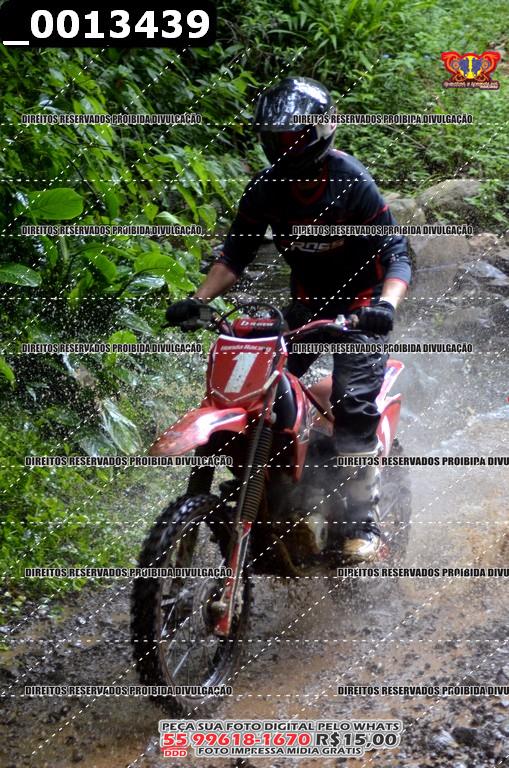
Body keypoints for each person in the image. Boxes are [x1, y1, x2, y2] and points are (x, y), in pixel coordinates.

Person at [166, 76, 412, 563]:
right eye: (275, 138)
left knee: (352, 401)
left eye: (294, 137)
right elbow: (234, 255)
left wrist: (384, 306)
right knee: (251, 383)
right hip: (305, 306)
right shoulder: (266, 189)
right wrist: (198, 299)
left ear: (319, 132)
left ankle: (361, 522)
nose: (284, 147)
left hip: (360, 310)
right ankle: (275, 484)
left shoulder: (350, 181)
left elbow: (396, 253)